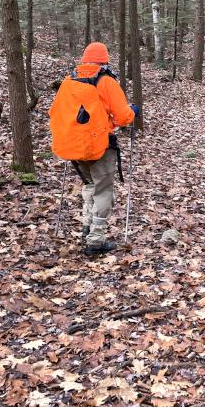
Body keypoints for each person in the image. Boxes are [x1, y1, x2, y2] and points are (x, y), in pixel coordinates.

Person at [49, 42, 138, 255]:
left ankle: (87, 227)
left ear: (84, 60)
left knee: (89, 185)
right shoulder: (106, 82)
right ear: (104, 61)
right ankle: (96, 239)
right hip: (101, 146)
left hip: (75, 146)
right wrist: (132, 111)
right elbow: (123, 117)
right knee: (103, 190)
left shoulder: (69, 81)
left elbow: (54, 112)